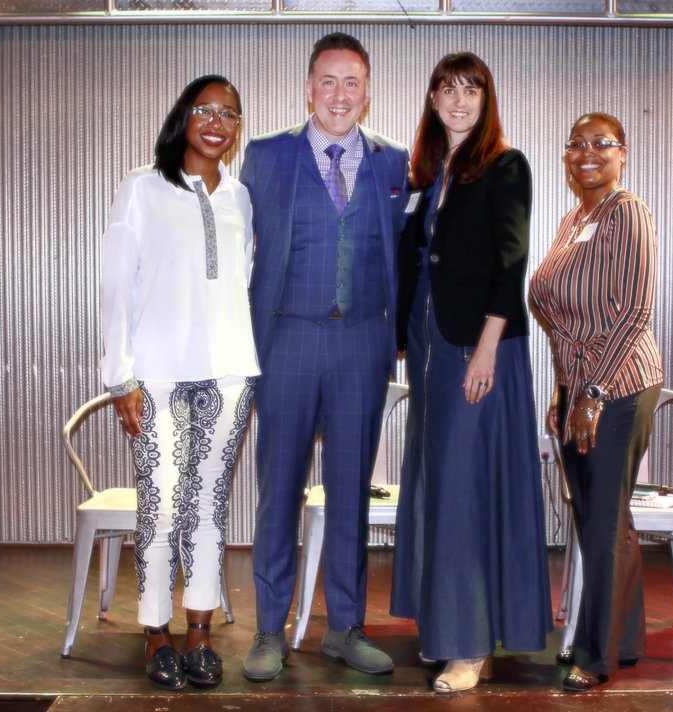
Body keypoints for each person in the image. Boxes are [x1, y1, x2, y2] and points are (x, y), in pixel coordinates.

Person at [239, 32, 409, 681]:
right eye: (328, 82)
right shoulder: (265, 156)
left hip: (362, 344)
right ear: (309, 88)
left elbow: (410, 256)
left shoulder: (394, 163)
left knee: (350, 495)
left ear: (368, 93)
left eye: (352, 83)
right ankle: (269, 630)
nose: (340, 95)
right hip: (285, 340)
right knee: (278, 491)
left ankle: (344, 627)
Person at [390, 52, 552, 694]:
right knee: (437, 487)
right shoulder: (429, 174)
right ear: (432, 99)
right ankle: (444, 625)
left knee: (464, 492)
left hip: (477, 348)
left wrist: (487, 348)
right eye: (449, 89)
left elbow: (512, 260)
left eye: (472, 90)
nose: (460, 101)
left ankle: (469, 646)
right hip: (428, 349)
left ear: (486, 101)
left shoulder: (505, 166)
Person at [100, 75, 259, 690]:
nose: (218, 122)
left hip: (228, 373)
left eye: (230, 114)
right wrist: (121, 377)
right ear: (183, 117)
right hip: (158, 376)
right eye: (205, 110)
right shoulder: (142, 187)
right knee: (163, 505)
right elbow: (117, 285)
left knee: (209, 505)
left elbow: (241, 283)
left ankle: (199, 631)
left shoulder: (240, 198)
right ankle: (155, 632)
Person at [529, 112, 664, 692]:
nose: (587, 152)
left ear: (622, 153)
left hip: (619, 387)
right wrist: (564, 389)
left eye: (601, 143)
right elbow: (558, 314)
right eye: (577, 144)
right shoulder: (572, 220)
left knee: (603, 523)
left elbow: (634, 311)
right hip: (579, 386)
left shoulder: (626, 212)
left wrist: (593, 393)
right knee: (599, 519)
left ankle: (595, 653)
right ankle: (623, 640)